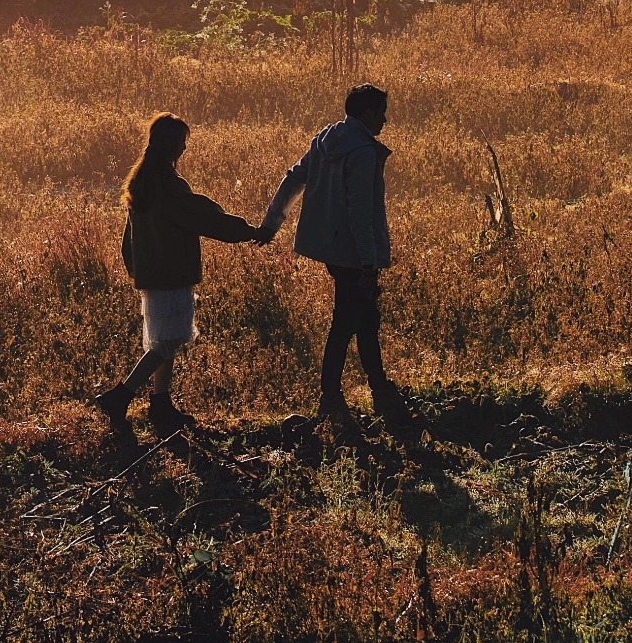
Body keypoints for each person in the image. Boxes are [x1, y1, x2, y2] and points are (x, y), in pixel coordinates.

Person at [257, 82, 411, 428]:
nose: (385, 121)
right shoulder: (362, 153)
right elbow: (361, 213)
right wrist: (370, 263)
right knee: (348, 322)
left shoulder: (326, 140)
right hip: (355, 255)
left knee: (365, 318)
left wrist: (272, 223)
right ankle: (333, 396)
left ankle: (376, 388)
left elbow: (293, 178)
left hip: (333, 250)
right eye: (381, 113)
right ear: (368, 114)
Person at [94, 112, 258, 436]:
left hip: (153, 275)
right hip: (171, 275)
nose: (184, 148)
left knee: (164, 340)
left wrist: (135, 268)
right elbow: (205, 216)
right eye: (182, 142)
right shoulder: (168, 187)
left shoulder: (141, 183)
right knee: (166, 343)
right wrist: (247, 231)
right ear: (172, 145)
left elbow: (129, 238)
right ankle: (120, 396)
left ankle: (161, 405)